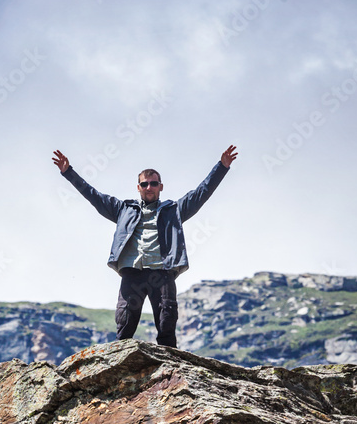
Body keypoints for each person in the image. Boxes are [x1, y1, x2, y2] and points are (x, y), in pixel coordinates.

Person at [52, 146, 238, 346]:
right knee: (124, 323)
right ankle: (119, 362)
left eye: (154, 183)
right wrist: (68, 172)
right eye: (145, 184)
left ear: (161, 186)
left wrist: (221, 167)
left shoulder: (174, 210)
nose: (149, 187)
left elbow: (202, 193)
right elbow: (93, 195)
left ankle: (169, 363)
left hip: (162, 272)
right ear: (138, 187)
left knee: (167, 321)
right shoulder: (123, 210)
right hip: (133, 272)